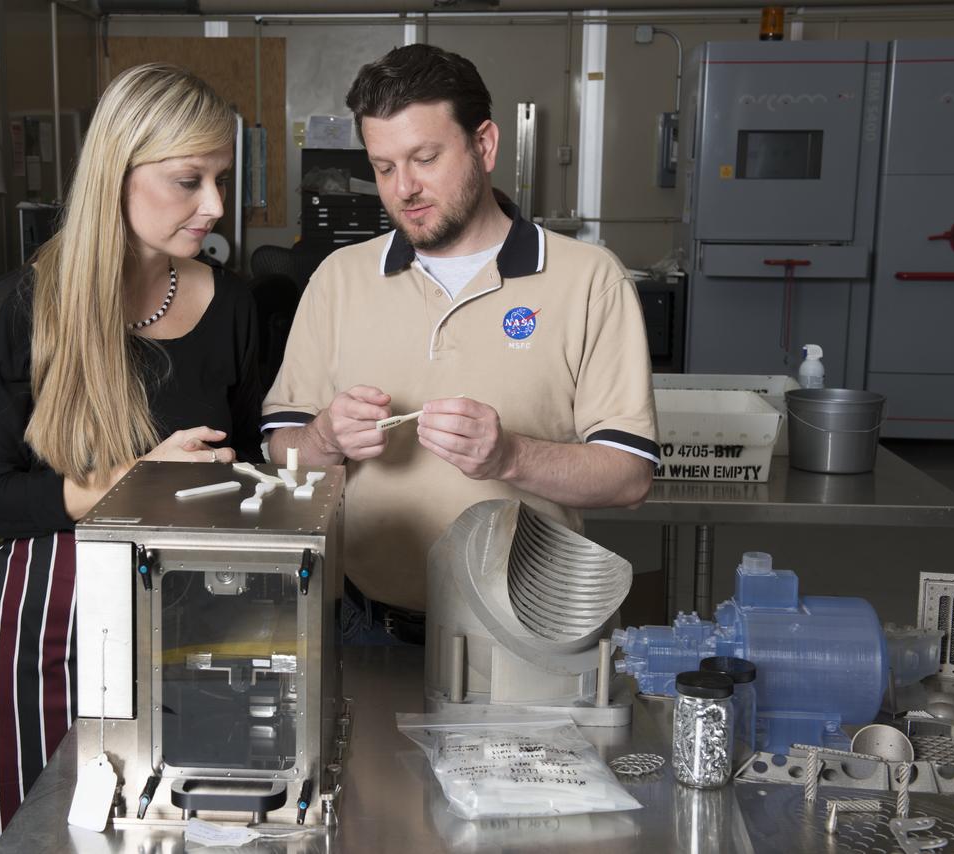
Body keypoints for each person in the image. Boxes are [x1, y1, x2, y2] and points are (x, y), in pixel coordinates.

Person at [0, 64, 262, 852]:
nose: (216, 206)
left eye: (221, 178)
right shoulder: (24, 306)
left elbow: (256, 462)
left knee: (191, 826)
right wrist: (130, 481)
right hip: (53, 614)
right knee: (47, 828)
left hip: (199, 606)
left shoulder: (233, 304)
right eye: (188, 180)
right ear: (116, 172)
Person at [261, 44, 658, 642]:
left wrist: (510, 458)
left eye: (425, 158)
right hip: (363, 625)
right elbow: (280, 454)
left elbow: (629, 477)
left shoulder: (589, 279)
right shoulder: (339, 278)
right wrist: (321, 438)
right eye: (385, 167)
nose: (404, 188)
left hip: (526, 636)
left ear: (485, 144)